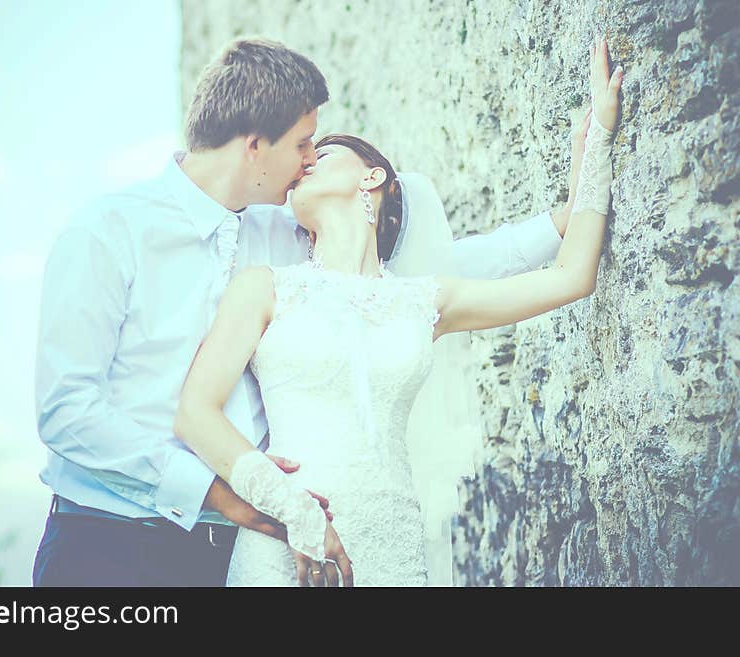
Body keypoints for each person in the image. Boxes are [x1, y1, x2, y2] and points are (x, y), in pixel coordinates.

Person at [31, 37, 584, 587]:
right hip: (109, 546)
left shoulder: (287, 235)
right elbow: (67, 412)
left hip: (242, 555)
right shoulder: (108, 231)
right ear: (254, 146)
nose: (308, 161)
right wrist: (220, 494)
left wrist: (565, 219)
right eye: (302, 144)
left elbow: (415, 283)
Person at [172, 36, 624, 586]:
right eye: (303, 151)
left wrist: (598, 137)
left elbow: (572, 276)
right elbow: (195, 412)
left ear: (372, 176)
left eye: (325, 150)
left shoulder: (424, 299)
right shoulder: (264, 287)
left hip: (393, 547)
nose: (307, 159)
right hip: (288, 542)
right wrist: (290, 507)